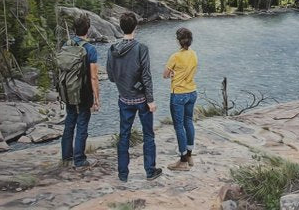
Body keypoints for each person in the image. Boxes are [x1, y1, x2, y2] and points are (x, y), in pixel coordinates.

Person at [107, 12, 162, 182]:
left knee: (124, 135)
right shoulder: (141, 48)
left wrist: (123, 84)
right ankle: (150, 171)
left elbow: (110, 76)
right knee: (148, 135)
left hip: (124, 99)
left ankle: (123, 174)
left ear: (121, 27)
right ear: (135, 27)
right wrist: (151, 100)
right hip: (142, 101)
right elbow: (146, 76)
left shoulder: (112, 49)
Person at [61, 14, 100, 170]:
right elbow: (94, 77)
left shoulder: (66, 44)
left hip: (68, 90)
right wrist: (96, 98)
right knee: (82, 124)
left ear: (74, 29)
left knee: (70, 121)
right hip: (83, 93)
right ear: (88, 30)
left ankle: (66, 156)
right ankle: (80, 160)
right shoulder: (90, 49)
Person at [163, 27, 198, 171]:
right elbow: (189, 71)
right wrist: (176, 73)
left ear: (178, 40)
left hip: (178, 94)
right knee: (188, 121)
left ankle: (182, 161)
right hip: (192, 92)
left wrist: (172, 73)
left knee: (179, 126)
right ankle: (189, 154)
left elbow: (165, 74)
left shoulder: (175, 56)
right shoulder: (194, 54)